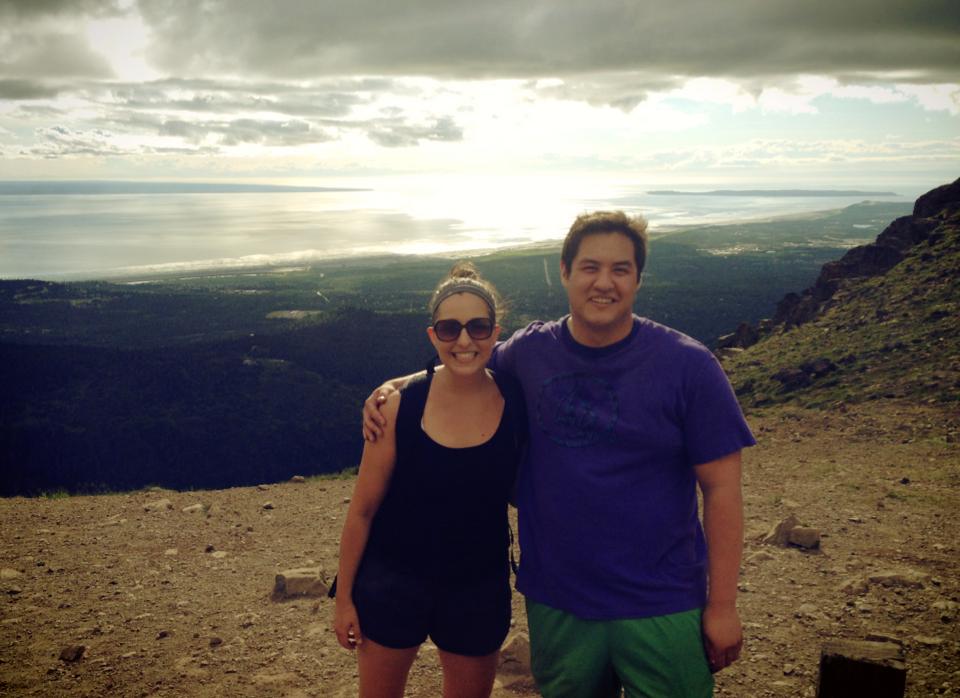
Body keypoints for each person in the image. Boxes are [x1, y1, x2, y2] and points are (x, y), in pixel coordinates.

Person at [363, 211, 755, 697]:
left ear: (638, 278)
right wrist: (396, 386)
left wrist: (722, 605)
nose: (604, 283)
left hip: (662, 600)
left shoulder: (690, 366)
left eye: (620, 269)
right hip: (558, 601)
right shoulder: (529, 352)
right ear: (565, 272)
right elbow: (466, 360)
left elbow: (721, 490)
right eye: (590, 267)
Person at [333, 262, 525, 698]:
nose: (463, 340)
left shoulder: (516, 399)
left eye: (478, 327)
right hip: (393, 581)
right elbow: (362, 510)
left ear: (497, 332)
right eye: (449, 328)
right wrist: (344, 600)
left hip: (477, 586)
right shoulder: (398, 408)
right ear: (432, 335)